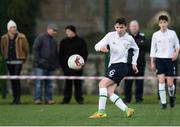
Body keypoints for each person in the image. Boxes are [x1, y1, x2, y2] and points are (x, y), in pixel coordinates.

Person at [89, 17, 139, 119]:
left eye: (121, 27)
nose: (119, 30)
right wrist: (102, 49)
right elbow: (96, 46)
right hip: (113, 66)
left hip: (120, 66)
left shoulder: (129, 38)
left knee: (102, 84)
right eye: (117, 27)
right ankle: (127, 110)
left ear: (125, 27)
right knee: (110, 92)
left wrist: (134, 63)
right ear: (114, 27)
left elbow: (136, 49)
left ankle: (101, 112)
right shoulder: (110, 36)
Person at [150, 15, 179, 109]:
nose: (163, 24)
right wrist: (152, 62)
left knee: (170, 83)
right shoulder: (155, 35)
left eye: (164, 22)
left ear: (167, 23)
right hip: (159, 60)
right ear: (159, 24)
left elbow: (177, 45)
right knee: (161, 81)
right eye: (161, 22)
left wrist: (176, 53)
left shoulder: (172, 33)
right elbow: (153, 50)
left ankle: (171, 97)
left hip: (170, 60)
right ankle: (163, 103)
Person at [0, 20, 29, 104]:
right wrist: (5, 57)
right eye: (12, 27)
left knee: (16, 78)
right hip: (9, 61)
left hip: (18, 61)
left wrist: (24, 58)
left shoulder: (22, 37)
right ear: (8, 29)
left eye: (14, 27)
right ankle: (14, 98)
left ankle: (17, 98)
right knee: (12, 80)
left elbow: (26, 49)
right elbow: (2, 49)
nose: (13, 28)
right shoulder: (4, 38)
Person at [59, 25, 88, 104]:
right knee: (68, 84)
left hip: (78, 68)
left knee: (78, 83)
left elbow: (85, 54)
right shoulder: (63, 42)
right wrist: (63, 66)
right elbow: (61, 55)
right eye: (66, 31)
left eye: (68, 31)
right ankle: (66, 99)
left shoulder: (81, 41)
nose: (67, 33)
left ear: (73, 31)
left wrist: (81, 64)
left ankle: (79, 99)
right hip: (66, 68)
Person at [33, 23, 59, 104]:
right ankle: (37, 99)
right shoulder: (40, 38)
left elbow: (55, 54)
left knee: (49, 84)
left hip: (50, 66)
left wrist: (56, 65)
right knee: (38, 84)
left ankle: (49, 99)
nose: (55, 32)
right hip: (40, 66)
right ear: (49, 29)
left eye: (56, 31)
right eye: (54, 30)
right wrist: (39, 61)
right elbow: (35, 49)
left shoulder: (54, 41)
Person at [124, 20, 147, 104]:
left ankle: (139, 99)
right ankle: (127, 99)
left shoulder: (142, 36)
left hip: (140, 64)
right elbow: (125, 47)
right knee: (128, 82)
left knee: (140, 82)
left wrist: (131, 45)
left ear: (138, 27)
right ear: (129, 27)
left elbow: (144, 45)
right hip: (128, 64)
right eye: (132, 26)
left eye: (135, 26)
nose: (134, 27)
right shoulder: (126, 37)